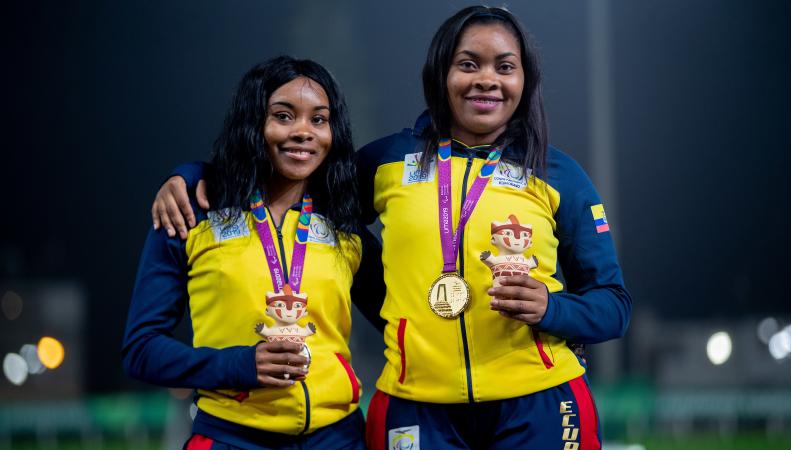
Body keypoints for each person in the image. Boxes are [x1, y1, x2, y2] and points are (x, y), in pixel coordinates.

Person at [153, 6, 632, 450]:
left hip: (541, 402)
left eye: (504, 67)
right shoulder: (385, 162)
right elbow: (289, 179)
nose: (487, 80)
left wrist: (552, 308)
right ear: (440, 73)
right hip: (416, 405)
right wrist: (196, 175)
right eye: (468, 64)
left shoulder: (557, 174)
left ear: (525, 81)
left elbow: (612, 305)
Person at [123, 56, 384, 450]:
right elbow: (141, 349)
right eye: (283, 116)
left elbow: (406, 323)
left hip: (338, 438)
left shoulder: (344, 228)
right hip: (232, 438)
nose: (303, 132)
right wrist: (238, 365)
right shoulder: (191, 216)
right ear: (252, 124)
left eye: (318, 119)